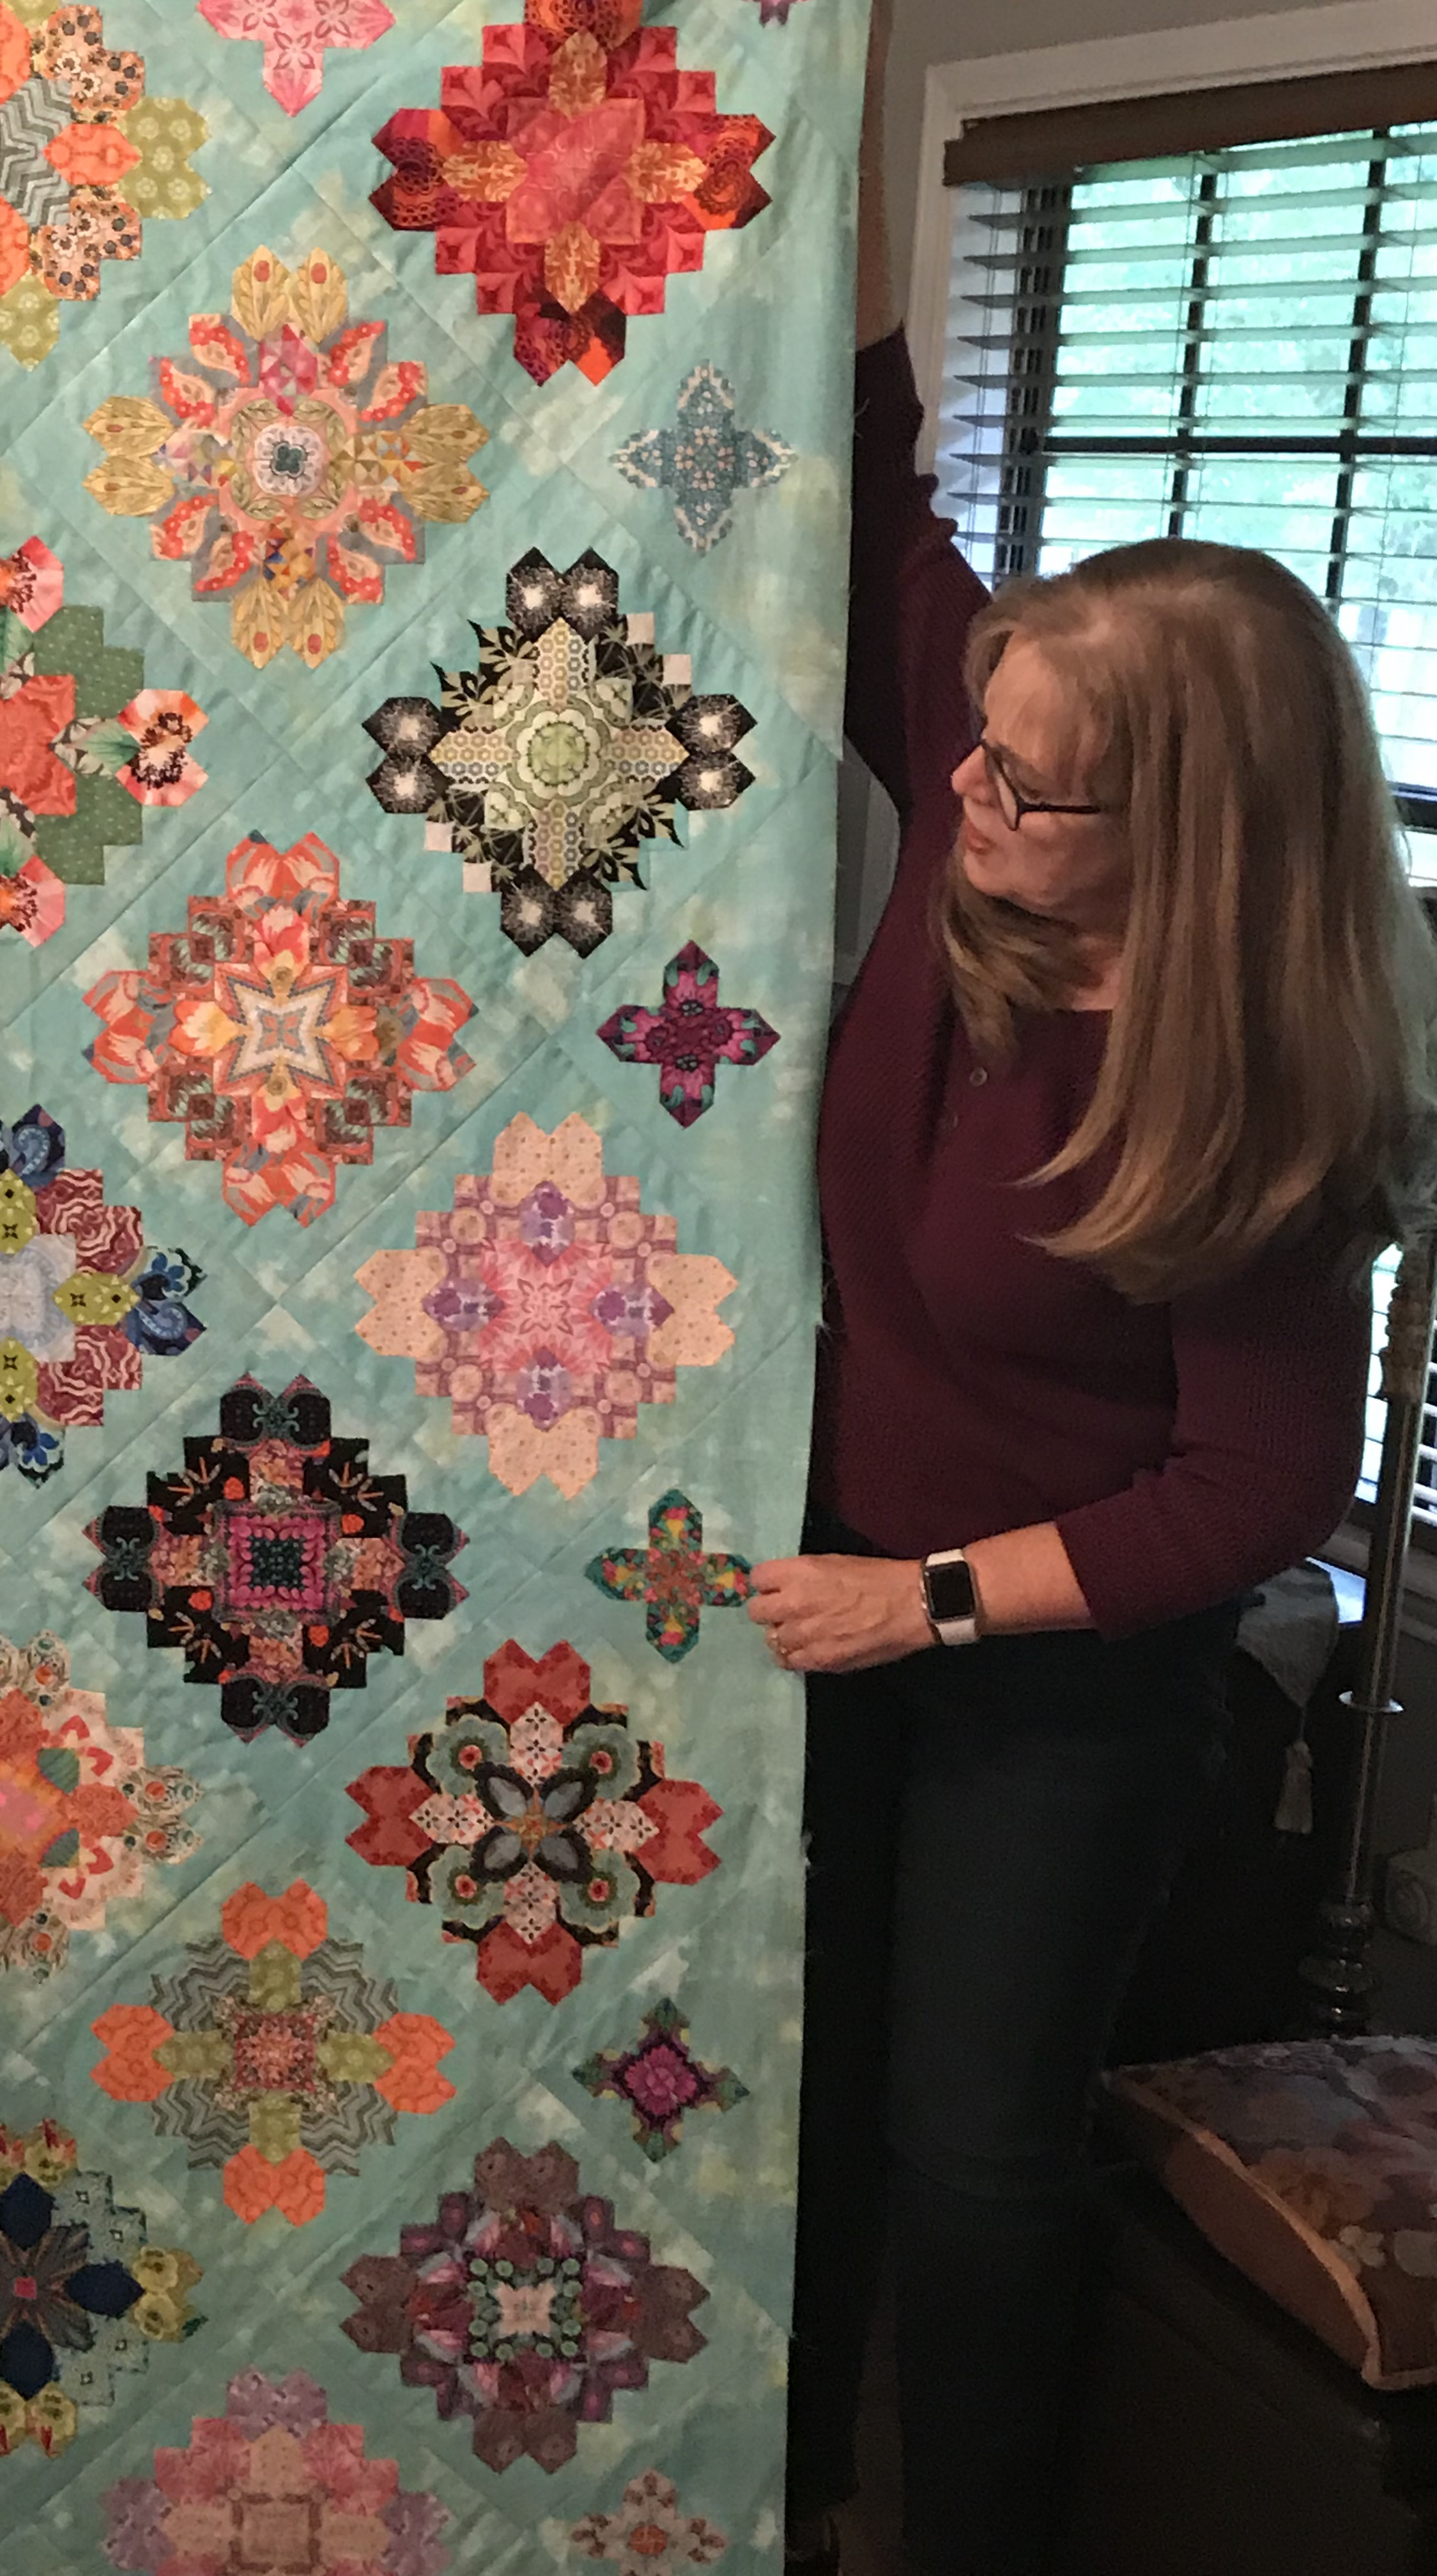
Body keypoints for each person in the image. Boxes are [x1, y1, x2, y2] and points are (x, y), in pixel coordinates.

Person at [749, 10, 1437, 2573]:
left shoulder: (1264, 1098)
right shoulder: (999, 823)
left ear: (1194, 831)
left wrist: (925, 1603)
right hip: (830, 1600)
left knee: (974, 2154)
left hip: (1051, 1672)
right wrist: (803, 76)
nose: (966, 794)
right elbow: (866, 482)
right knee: (787, 2097)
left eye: (1028, 784)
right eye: (982, 745)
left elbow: (1253, 1491)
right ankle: (775, 2509)